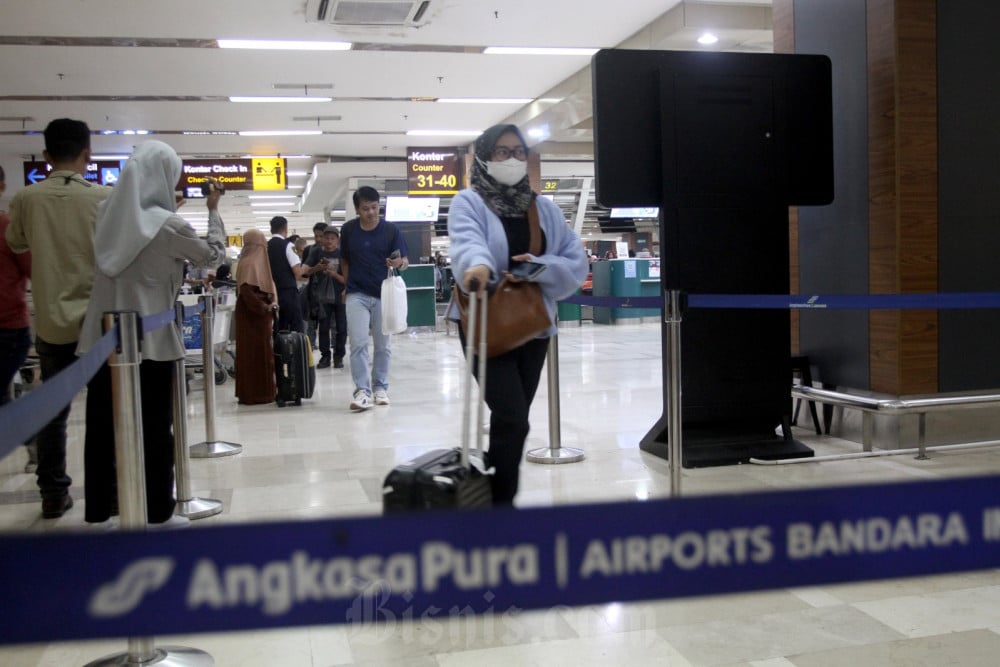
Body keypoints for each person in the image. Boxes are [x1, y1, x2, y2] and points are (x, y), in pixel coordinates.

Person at [76, 140, 226, 526]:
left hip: (103, 339)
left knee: (101, 426)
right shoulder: (169, 224)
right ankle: (158, 507)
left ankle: (99, 508)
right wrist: (213, 213)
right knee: (156, 427)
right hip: (152, 342)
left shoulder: (105, 213)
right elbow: (213, 255)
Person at [447, 123, 588, 506]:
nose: (512, 159)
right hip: (483, 322)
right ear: (485, 157)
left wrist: (539, 265)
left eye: (519, 152)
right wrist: (476, 266)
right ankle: (502, 504)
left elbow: (575, 259)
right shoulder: (469, 202)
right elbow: (466, 243)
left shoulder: (543, 208)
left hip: (533, 325)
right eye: (502, 152)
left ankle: (494, 495)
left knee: (513, 421)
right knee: (513, 416)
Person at [6, 118, 112, 519]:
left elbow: (16, 241)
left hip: (51, 321)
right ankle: (111, 491)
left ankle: (53, 491)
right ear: (88, 154)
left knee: (54, 409)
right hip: (97, 323)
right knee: (105, 409)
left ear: (46, 156)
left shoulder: (26, 199)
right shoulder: (103, 197)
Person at [340, 185, 408, 410]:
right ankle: (362, 391)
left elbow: (405, 262)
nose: (371, 212)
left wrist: (399, 263)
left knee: (382, 345)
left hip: (383, 294)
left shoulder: (391, 231)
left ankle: (380, 387)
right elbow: (345, 261)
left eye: (374, 207)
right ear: (357, 210)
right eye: (365, 208)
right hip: (356, 293)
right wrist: (346, 286)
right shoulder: (348, 230)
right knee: (358, 343)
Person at [0, 165, 36, 471]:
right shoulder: (9, 227)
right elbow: (32, 269)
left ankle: (33, 437)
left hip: (8, 326)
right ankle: (33, 438)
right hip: (10, 324)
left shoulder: (8, 226)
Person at [234, 229, 277, 404]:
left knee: (253, 354)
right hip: (253, 318)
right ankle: (258, 394)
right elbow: (248, 292)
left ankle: (253, 392)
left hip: (252, 317)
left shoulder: (245, 263)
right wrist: (265, 307)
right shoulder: (251, 265)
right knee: (256, 355)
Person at [303, 226, 347, 369]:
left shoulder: (343, 254)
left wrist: (334, 274)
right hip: (321, 297)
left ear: (337, 240)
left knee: (341, 327)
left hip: (340, 295)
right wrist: (317, 268)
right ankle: (325, 356)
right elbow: (305, 272)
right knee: (323, 327)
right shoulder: (316, 252)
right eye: (326, 238)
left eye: (332, 238)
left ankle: (339, 356)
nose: (329, 241)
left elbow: (348, 279)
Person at [267, 216, 305, 333]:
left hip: (271, 293)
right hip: (288, 292)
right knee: (296, 326)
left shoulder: (265, 246)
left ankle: (278, 350)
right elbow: (298, 272)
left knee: (278, 325)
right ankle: (295, 350)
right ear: (286, 229)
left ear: (271, 229)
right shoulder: (288, 246)